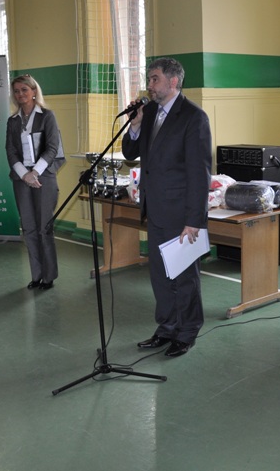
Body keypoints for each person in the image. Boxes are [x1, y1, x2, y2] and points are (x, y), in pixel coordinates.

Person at [122, 57, 212, 358]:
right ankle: (166, 327)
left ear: (173, 82)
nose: (149, 85)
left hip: (181, 212)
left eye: (155, 79)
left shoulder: (193, 117)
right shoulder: (149, 113)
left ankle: (187, 332)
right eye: (149, 79)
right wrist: (135, 125)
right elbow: (130, 152)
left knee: (184, 276)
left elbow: (200, 173)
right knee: (160, 275)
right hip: (156, 209)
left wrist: (194, 220)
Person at [5, 74, 65, 291]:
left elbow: (52, 148)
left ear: (33, 91)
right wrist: (24, 175)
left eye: (24, 90)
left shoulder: (47, 116)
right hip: (21, 179)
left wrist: (35, 173)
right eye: (17, 91)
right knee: (29, 228)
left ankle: (49, 276)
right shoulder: (13, 121)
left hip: (43, 177)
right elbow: (10, 151)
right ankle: (37, 275)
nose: (20, 94)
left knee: (44, 228)